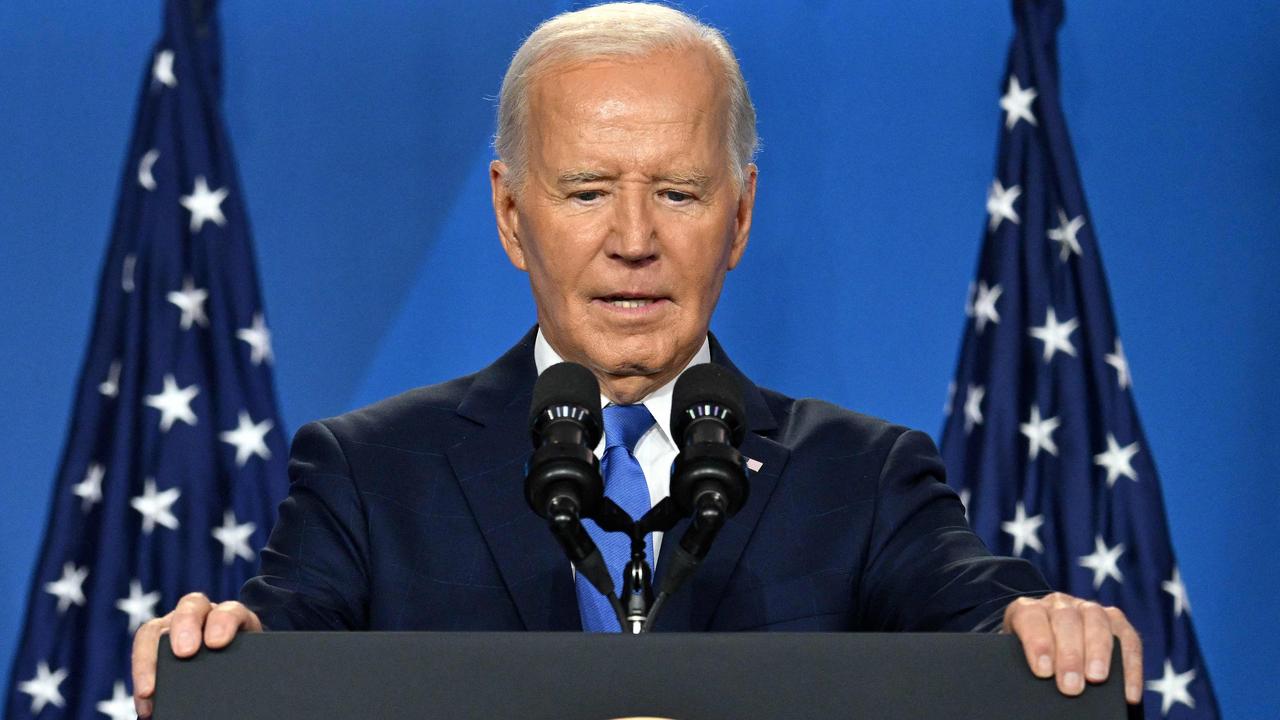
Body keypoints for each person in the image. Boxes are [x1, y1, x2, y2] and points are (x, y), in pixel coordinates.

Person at [131, 3, 1143, 716]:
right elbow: (279, 647)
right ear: (510, 213)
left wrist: (1035, 620)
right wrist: (226, 654)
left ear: (739, 214)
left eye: (678, 190)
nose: (631, 239)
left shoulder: (862, 477)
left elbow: (972, 612)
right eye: (584, 190)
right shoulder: (369, 472)